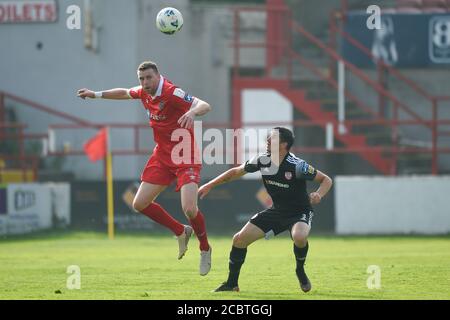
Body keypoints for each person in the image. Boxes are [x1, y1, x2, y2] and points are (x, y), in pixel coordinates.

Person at [77, 61, 212, 276]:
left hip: (185, 154)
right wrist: (95, 94)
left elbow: (205, 104)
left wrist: (193, 112)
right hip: (162, 156)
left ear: (158, 76)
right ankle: (180, 231)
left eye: (149, 78)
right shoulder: (144, 93)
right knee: (139, 203)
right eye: (141, 79)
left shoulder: (171, 92)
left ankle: (204, 248)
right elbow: (124, 93)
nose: (145, 82)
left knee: (189, 209)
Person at [198, 127, 332, 292]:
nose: (268, 140)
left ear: (284, 144)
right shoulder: (262, 160)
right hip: (277, 211)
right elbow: (235, 172)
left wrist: (318, 195)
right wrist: (210, 184)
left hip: (300, 212)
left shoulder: (297, 166)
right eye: (269, 137)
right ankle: (232, 284)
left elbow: (326, 180)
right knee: (239, 240)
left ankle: (300, 269)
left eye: (273, 138)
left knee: (299, 236)